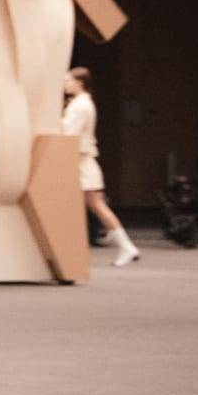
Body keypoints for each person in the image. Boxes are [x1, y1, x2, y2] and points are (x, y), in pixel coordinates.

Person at [61, 68, 138, 266]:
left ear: (79, 83)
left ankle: (125, 245)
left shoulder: (80, 105)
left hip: (81, 161)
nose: (65, 84)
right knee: (94, 204)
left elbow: (68, 131)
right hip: (83, 160)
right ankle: (124, 244)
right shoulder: (82, 103)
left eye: (68, 80)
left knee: (95, 204)